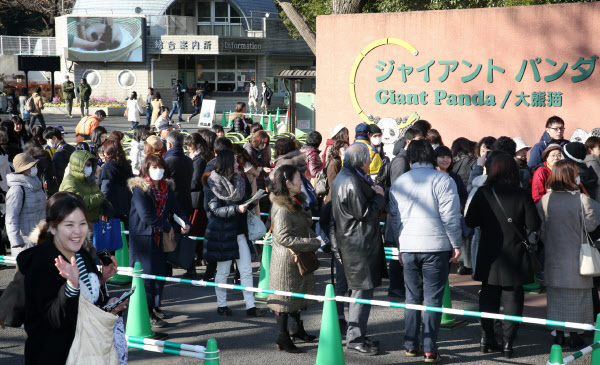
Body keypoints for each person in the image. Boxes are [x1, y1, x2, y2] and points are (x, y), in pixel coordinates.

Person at [17, 193, 126, 365]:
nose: (77, 231)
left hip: (90, 351)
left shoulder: (81, 254)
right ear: (53, 228)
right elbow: (52, 320)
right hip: (55, 355)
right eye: (69, 224)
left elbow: (89, 301)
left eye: (82, 223)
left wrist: (107, 298)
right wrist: (71, 286)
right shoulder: (41, 263)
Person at [388, 140, 462, 363]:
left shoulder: (399, 182)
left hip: (409, 246)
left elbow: (395, 219)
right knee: (433, 299)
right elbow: (450, 217)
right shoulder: (443, 179)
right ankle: (430, 350)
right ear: (430, 156)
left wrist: (400, 246)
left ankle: (411, 344)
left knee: (412, 296)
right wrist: (456, 244)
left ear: (410, 157)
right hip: (436, 246)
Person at [465, 154, 541, 359]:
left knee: (488, 295)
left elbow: (470, 221)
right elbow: (534, 224)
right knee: (513, 298)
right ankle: (508, 343)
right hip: (515, 254)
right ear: (513, 171)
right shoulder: (520, 194)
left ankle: (486, 338)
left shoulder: (483, 192)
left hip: (489, 253)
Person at [331, 143, 386, 356]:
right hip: (358, 244)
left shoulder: (347, 176)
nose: (370, 161)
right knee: (361, 293)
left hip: (354, 242)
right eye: (368, 158)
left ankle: (357, 334)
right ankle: (355, 338)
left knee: (359, 292)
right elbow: (364, 213)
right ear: (362, 160)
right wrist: (380, 196)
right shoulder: (352, 180)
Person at [537, 160, 598, 348]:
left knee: (556, 298)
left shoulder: (545, 201)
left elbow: (541, 230)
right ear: (571, 177)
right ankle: (574, 334)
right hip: (578, 259)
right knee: (578, 300)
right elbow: (591, 225)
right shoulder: (582, 200)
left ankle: (559, 333)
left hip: (554, 258)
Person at [128, 154, 190, 327]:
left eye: (160, 167)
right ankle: (148, 313)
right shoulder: (140, 189)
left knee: (160, 275)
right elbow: (146, 216)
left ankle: (156, 306)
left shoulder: (166, 188)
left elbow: (177, 209)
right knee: (147, 277)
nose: (158, 171)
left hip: (160, 238)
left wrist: (186, 223)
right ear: (146, 169)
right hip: (143, 239)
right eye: (154, 167)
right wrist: (167, 226)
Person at [202, 150, 265, 317]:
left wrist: (251, 203)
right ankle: (222, 305)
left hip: (239, 233)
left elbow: (242, 204)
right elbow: (215, 210)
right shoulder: (212, 182)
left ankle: (251, 307)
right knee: (223, 272)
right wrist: (237, 208)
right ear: (227, 165)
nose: (239, 165)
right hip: (223, 234)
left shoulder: (239, 179)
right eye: (236, 162)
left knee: (246, 270)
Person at [267, 165, 321, 353]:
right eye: (298, 179)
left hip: (296, 256)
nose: (302, 182)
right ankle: (283, 337)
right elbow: (282, 237)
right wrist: (312, 243)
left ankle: (296, 330)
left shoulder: (293, 199)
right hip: (287, 260)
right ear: (288, 183)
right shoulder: (281, 207)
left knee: (295, 296)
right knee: (283, 300)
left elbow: (302, 227)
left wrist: (313, 239)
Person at [5, 153, 46, 257]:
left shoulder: (36, 183)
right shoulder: (17, 190)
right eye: (32, 166)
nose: (35, 168)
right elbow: (11, 217)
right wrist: (16, 241)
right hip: (25, 242)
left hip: (40, 237)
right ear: (24, 169)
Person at [59, 150, 104, 224]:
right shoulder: (70, 182)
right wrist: (99, 199)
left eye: (90, 165)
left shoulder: (89, 180)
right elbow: (79, 202)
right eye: (87, 165)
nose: (89, 168)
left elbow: (100, 194)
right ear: (78, 166)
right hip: (76, 225)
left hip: (91, 223)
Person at [98, 140, 133, 222]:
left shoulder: (108, 167)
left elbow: (105, 189)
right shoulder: (125, 164)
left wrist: (102, 208)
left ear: (107, 152)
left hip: (112, 209)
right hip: (126, 206)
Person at [164, 131, 194, 217]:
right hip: (186, 201)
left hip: (171, 204)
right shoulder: (189, 160)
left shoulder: (166, 161)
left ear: (169, 144)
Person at [324, 140, 348, 204]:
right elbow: (333, 184)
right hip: (333, 199)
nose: (346, 150)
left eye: (347, 148)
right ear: (338, 149)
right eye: (344, 148)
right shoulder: (334, 164)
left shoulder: (342, 162)